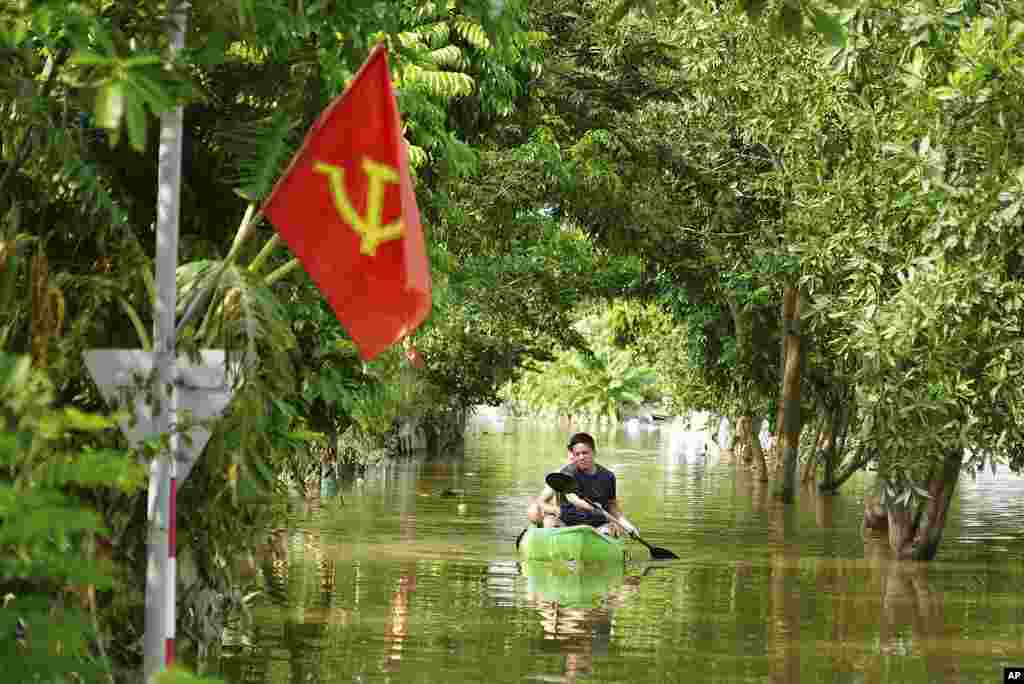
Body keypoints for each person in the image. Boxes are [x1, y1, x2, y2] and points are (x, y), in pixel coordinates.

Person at [526, 432, 639, 537]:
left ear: (594, 452)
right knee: (549, 522)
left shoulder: (608, 476)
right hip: (568, 522)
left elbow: (613, 506)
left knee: (610, 529)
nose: (581, 457)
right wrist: (592, 507)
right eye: (577, 454)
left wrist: (627, 525)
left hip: (597, 524)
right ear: (573, 455)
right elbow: (572, 498)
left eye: (585, 453)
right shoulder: (567, 472)